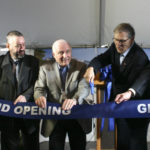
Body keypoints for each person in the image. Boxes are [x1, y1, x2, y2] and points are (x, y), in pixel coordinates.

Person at [84, 23, 150, 150]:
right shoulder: (114, 49)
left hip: (136, 106)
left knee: (136, 144)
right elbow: (101, 59)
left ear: (132, 39)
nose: (119, 44)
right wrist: (92, 68)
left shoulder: (140, 56)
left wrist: (129, 92)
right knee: (122, 142)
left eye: (122, 41)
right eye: (116, 40)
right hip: (120, 105)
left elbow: (143, 80)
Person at [34, 39, 91, 150]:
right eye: (61, 52)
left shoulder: (81, 66)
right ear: (54, 54)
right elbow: (39, 88)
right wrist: (39, 96)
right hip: (55, 119)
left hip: (77, 117)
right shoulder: (44, 68)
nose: (65, 56)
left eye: (68, 51)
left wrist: (75, 100)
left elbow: (84, 87)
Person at [0, 31, 39, 150]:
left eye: (23, 44)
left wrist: (25, 96)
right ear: (8, 46)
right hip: (7, 116)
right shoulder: (0, 61)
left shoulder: (33, 61)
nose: (22, 48)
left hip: (29, 113)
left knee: (31, 145)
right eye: (18, 45)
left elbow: (38, 84)